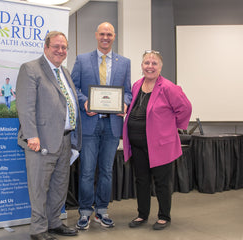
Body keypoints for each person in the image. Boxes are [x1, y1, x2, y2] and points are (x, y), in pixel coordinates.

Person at [16, 31, 82, 240]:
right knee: (38, 187)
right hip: (41, 140)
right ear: (46, 47)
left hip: (64, 140)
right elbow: (25, 106)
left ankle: (54, 223)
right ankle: (38, 229)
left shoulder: (65, 72)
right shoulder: (31, 69)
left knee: (59, 185)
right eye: (56, 46)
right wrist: (31, 135)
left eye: (64, 48)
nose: (60, 51)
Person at [71, 22, 132, 230]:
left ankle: (102, 210)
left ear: (114, 36)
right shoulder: (81, 59)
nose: (105, 37)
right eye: (102, 34)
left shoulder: (124, 62)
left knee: (106, 171)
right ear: (96, 35)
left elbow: (128, 92)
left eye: (109, 34)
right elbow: (74, 87)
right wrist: (84, 102)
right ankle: (85, 212)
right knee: (87, 171)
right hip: (89, 124)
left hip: (112, 125)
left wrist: (124, 103)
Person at [122, 50, 192, 230]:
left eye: (154, 64)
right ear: (142, 66)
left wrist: (168, 127)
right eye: (147, 63)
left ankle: (163, 216)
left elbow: (185, 108)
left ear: (160, 67)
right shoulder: (137, 84)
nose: (150, 67)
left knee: (162, 182)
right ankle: (142, 214)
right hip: (137, 144)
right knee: (141, 180)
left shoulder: (168, 87)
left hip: (160, 144)